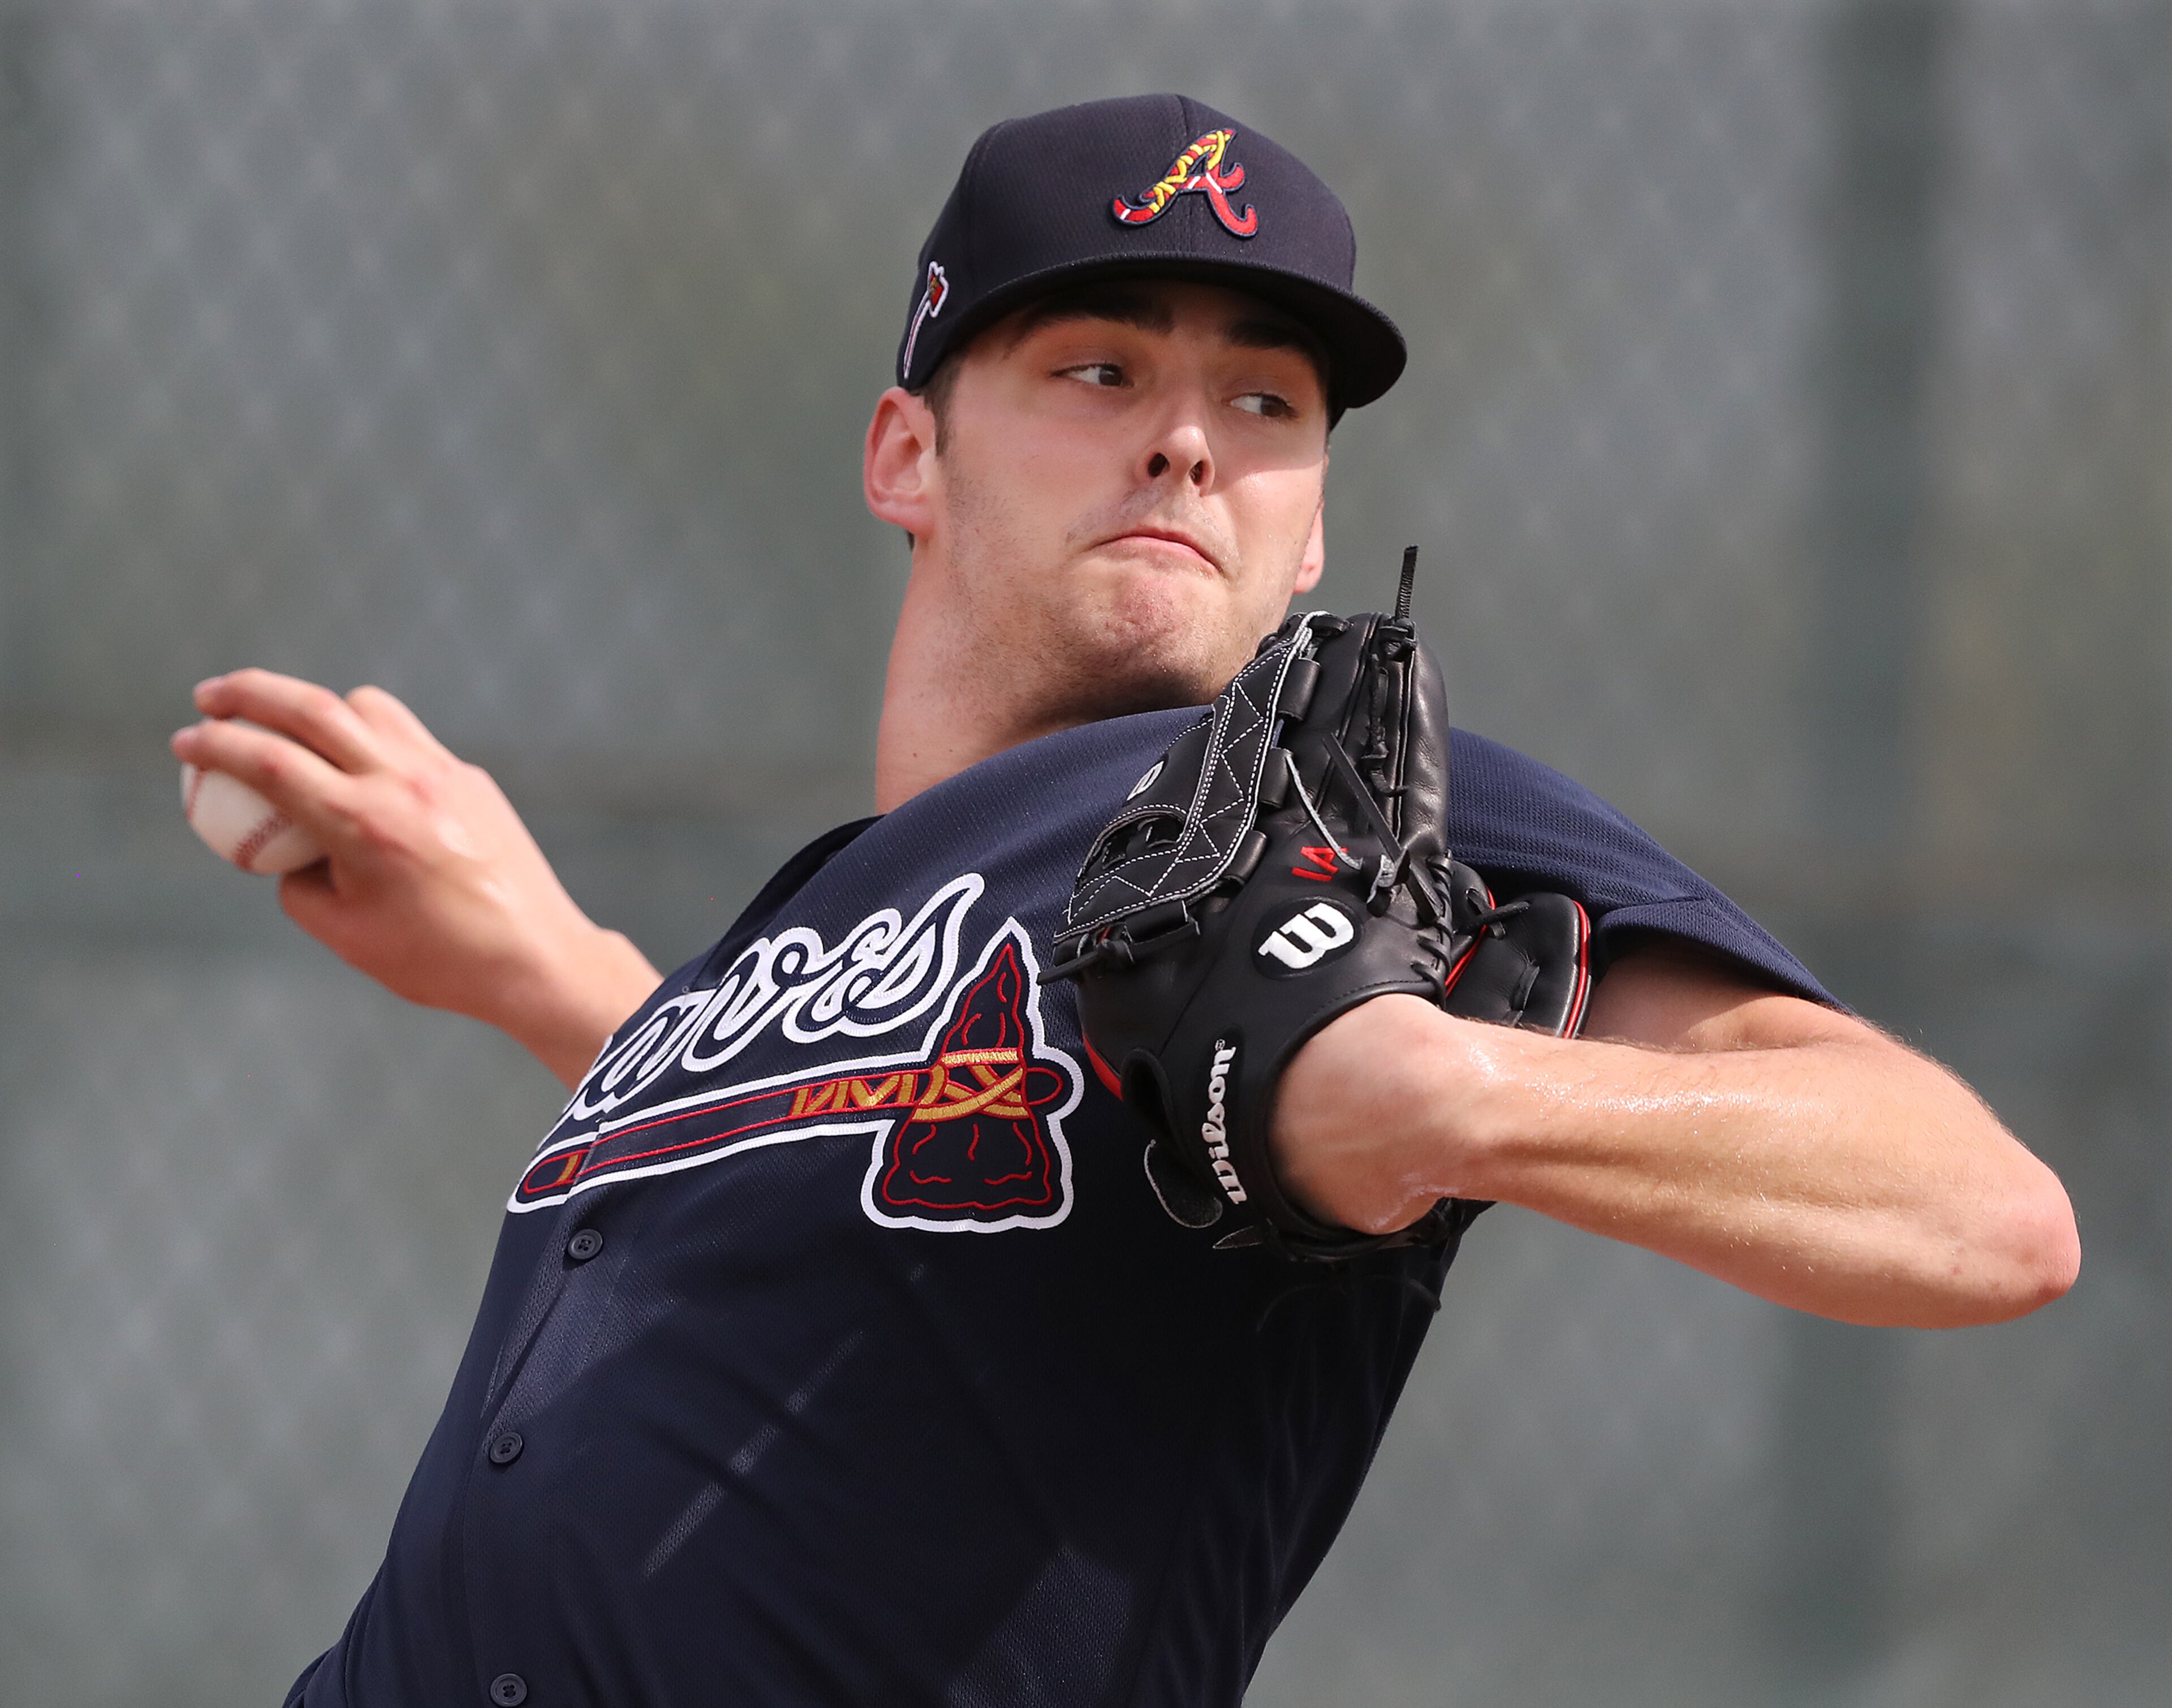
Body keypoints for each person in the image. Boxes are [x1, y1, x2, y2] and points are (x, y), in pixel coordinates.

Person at [172, 95, 2077, 1708]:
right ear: (906, 450)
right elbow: (923, 1168)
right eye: (1102, 370)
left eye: (1265, 402)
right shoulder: (815, 919)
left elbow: (1982, 1211)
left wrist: (1455, 1097)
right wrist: (569, 976)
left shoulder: (1342, 822)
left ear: (1313, 523)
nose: (1189, 438)